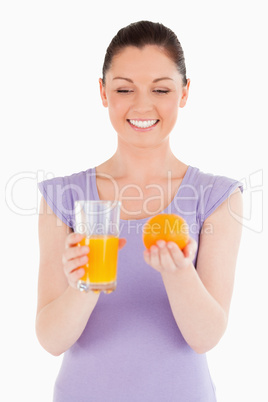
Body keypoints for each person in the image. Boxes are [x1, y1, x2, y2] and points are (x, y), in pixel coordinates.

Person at [36, 20, 243, 402]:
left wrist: (179, 273)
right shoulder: (62, 197)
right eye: (124, 89)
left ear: (184, 93)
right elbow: (50, 340)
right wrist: (84, 281)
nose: (142, 105)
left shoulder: (218, 197)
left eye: (161, 89)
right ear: (103, 92)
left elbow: (206, 337)